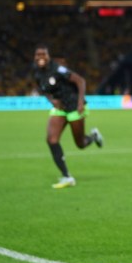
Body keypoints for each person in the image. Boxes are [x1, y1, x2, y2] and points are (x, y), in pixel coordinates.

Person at [33, 45, 103, 189]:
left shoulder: (58, 69)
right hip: (60, 109)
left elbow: (80, 81)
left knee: (81, 144)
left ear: (48, 56)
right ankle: (67, 176)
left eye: (43, 54)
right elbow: (43, 90)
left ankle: (93, 136)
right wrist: (51, 100)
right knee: (51, 139)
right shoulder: (37, 73)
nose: (40, 57)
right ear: (35, 57)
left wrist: (80, 103)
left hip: (74, 105)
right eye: (38, 54)